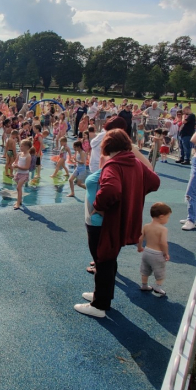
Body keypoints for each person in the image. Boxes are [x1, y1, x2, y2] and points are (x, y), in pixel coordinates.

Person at [74, 129, 160, 318]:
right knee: (108, 259)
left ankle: (99, 305)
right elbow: (154, 181)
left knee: (103, 259)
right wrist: (133, 194)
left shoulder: (114, 165)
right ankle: (102, 295)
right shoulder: (133, 162)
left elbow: (111, 190)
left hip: (106, 223)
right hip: (120, 221)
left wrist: (98, 205)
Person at [138, 202, 172, 296]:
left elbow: (140, 238)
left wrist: (140, 247)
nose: (167, 219)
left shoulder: (146, 226)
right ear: (161, 216)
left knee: (145, 270)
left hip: (147, 251)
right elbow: (163, 243)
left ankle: (144, 285)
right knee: (160, 272)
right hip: (157, 254)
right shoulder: (163, 229)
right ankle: (157, 287)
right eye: (167, 217)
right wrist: (166, 253)